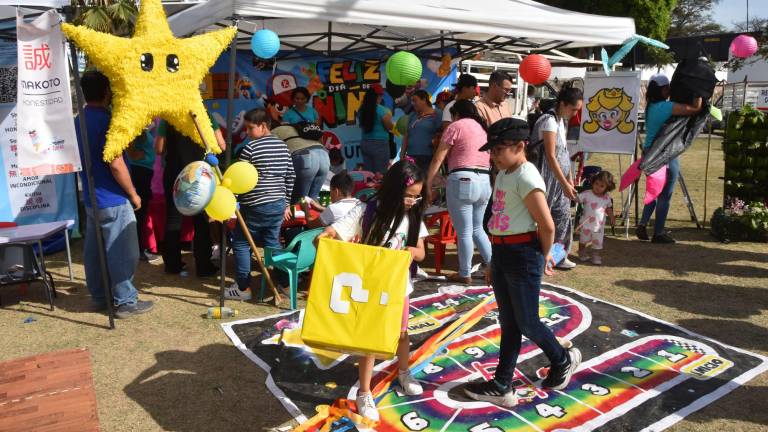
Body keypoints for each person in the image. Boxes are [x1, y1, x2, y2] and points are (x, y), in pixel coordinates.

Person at [464, 118, 581, 407]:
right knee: (509, 322)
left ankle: (562, 359)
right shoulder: (504, 173)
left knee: (527, 321)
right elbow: (500, 222)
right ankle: (503, 383)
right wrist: (492, 263)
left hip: (523, 255)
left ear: (520, 146)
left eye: (498, 149)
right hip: (503, 254)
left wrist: (543, 258)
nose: (493, 155)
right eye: (491, 150)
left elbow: (548, 225)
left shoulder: (527, 175)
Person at [317, 160, 428, 422]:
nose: (412, 201)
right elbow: (338, 229)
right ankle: (364, 392)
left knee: (402, 333)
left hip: (399, 286)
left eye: (417, 197)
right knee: (370, 339)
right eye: (409, 196)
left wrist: (411, 251)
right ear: (393, 190)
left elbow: (421, 252)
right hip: (371, 289)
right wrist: (327, 234)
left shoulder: (412, 216)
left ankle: (403, 371)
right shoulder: (367, 212)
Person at [75, 71, 153, 318]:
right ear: (107, 91)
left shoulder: (78, 120)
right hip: (113, 197)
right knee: (122, 250)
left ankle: (99, 296)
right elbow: (116, 163)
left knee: (96, 251)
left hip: (91, 197)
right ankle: (125, 301)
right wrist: (133, 194)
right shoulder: (109, 121)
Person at [225, 108, 295, 301]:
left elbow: (239, 178)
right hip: (278, 205)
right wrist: (287, 203)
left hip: (254, 205)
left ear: (263, 126)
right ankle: (285, 285)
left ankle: (243, 288)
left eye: (250, 128)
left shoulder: (251, 149)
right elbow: (290, 176)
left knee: (240, 243)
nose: (247, 132)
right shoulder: (283, 147)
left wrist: (234, 197)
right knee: (273, 244)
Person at [425, 100, 492, 284]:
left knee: (464, 231)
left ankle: (464, 272)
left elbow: (438, 158)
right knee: (478, 229)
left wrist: (428, 184)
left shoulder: (456, 126)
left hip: (463, 179)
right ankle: (495, 266)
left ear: (456, 114)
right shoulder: (482, 128)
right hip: (484, 180)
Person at [636, 74, 703, 244]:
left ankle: (643, 223)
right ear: (661, 90)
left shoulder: (650, 106)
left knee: (653, 191)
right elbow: (695, 109)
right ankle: (658, 233)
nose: (669, 90)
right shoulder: (667, 107)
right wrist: (699, 92)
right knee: (665, 195)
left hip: (649, 153)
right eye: (667, 88)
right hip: (665, 153)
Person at [155, 119, 220, 278]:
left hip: (175, 173)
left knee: (173, 219)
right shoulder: (204, 114)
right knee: (201, 220)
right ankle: (204, 266)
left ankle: (172, 265)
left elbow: (159, 148)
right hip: (198, 174)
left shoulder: (168, 118)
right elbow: (221, 144)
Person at [531, 84, 583, 269]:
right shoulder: (549, 121)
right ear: (562, 103)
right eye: (573, 109)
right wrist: (564, 183)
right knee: (543, 219)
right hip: (545, 178)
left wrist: (569, 178)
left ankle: (558, 255)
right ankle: (541, 257)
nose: (575, 113)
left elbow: (564, 153)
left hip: (559, 179)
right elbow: (551, 155)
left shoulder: (561, 121)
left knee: (562, 216)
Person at [126, 123, 159, 263]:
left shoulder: (142, 131)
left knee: (140, 214)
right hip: (140, 173)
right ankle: (139, 250)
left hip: (143, 173)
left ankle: (139, 249)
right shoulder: (136, 130)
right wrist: (138, 155)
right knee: (139, 214)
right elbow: (131, 152)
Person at [271, 124, 330, 203]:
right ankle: (314, 215)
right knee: (313, 200)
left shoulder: (272, 132)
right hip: (324, 155)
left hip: (305, 157)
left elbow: (272, 156)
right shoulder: (294, 127)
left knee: (300, 201)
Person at [577, 171, 616, 265]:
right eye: (596, 184)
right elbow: (577, 198)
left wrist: (612, 217)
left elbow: (609, 208)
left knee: (597, 243)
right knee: (583, 240)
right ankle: (581, 252)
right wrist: (571, 195)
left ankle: (595, 255)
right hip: (586, 224)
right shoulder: (587, 194)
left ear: (607, 188)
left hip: (599, 226)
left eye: (602, 186)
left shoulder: (607, 198)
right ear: (593, 182)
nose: (598, 187)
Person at [400, 89, 442, 173]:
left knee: (425, 183)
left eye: (415, 101)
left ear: (424, 100)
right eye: (412, 101)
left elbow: (441, 134)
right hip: (411, 156)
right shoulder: (412, 115)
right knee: (411, 183)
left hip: (428, 157)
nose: (413, 103)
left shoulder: (437, 114)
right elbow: (406, 135)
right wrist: (402, 154)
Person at [358, 83, 395, 174]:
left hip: (365, 143)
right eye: (381, 95)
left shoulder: (361, 109)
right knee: (380, 175)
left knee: (369, 175)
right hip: (380, 145)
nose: (381, 97)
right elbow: (389, 127)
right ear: (378, 96)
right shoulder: (382, 110)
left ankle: (369, 189)